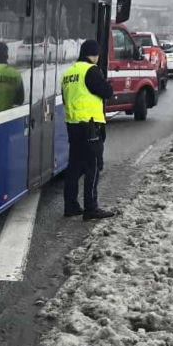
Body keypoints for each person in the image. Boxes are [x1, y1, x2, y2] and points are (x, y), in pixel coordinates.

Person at [61, 39, 115, 220]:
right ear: (93, 54)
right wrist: (109, 86)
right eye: (97, 54)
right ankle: (91, 208)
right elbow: (106, 91)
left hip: (73, 126)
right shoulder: (91, 70)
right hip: (91, 127)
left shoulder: (69, 73)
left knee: (74, 167)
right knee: (92, 167)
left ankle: (71, 206)